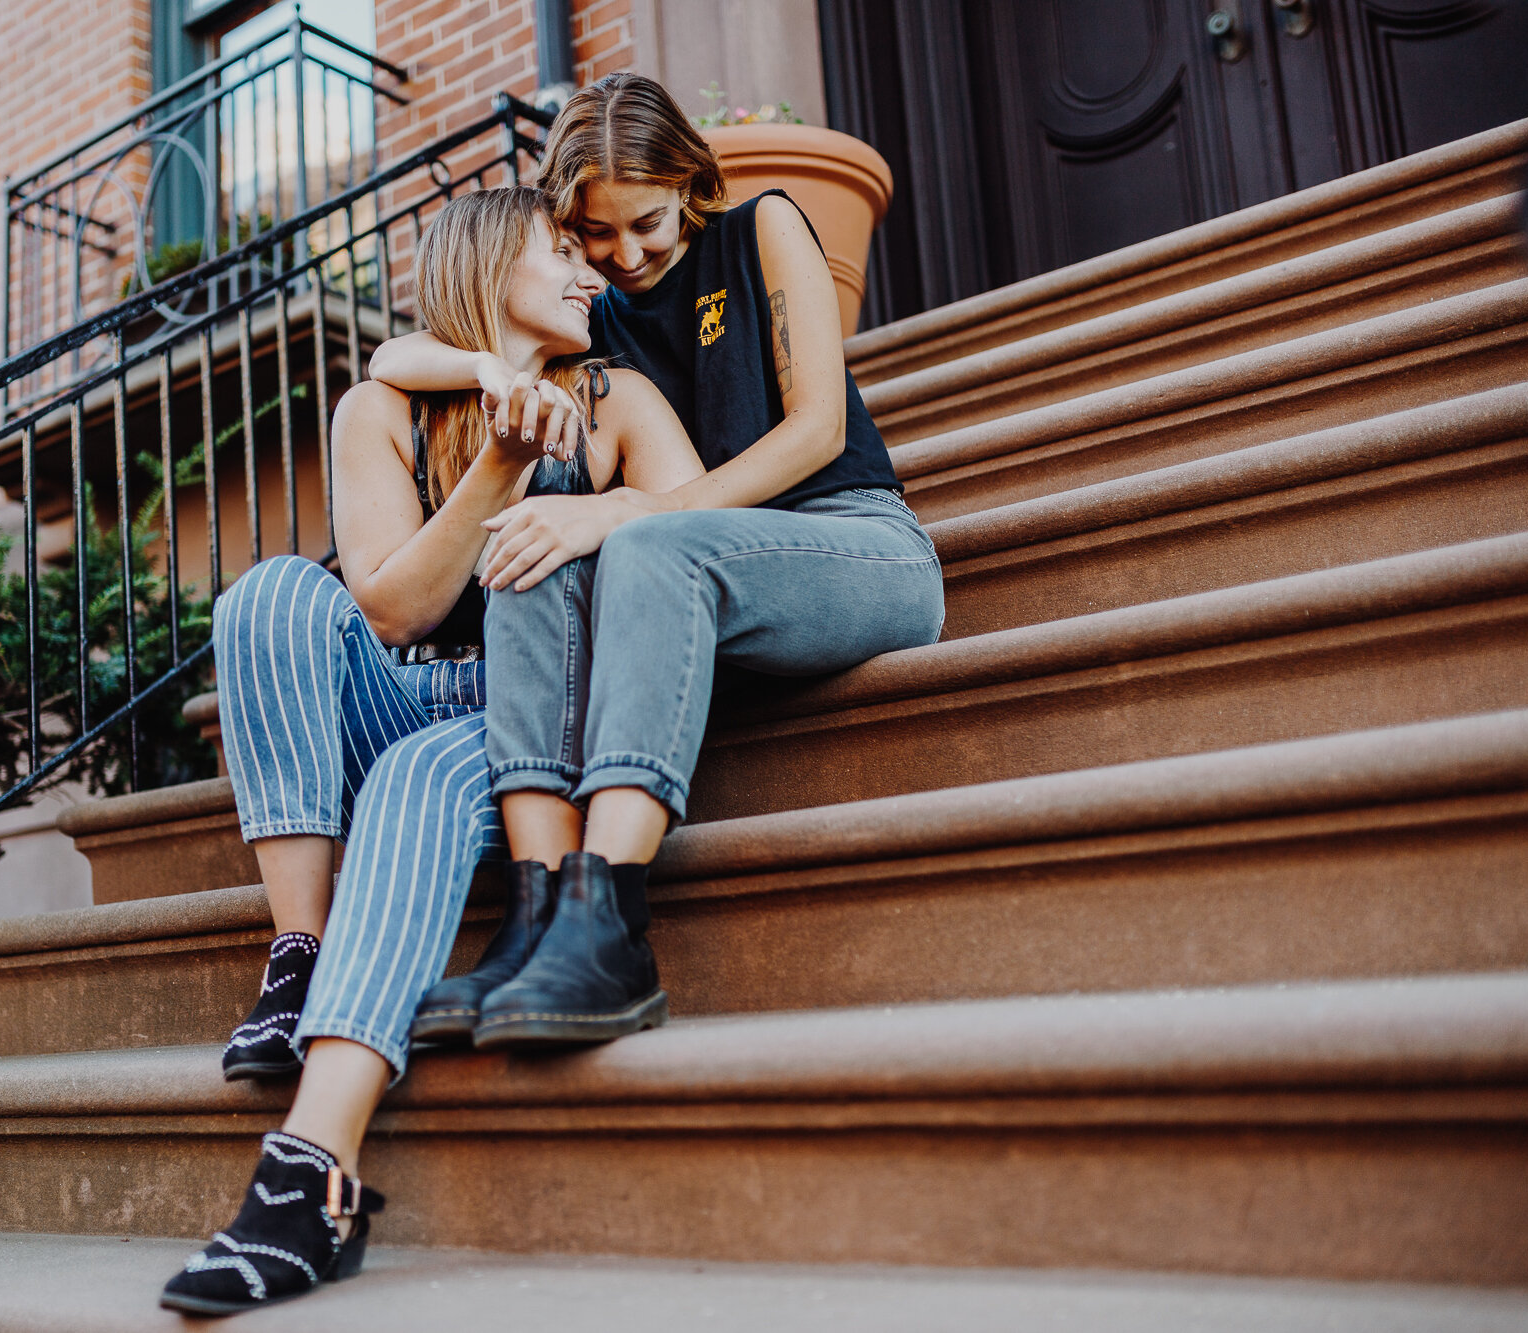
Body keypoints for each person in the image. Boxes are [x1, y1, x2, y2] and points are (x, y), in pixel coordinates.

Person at [159, 186, 703, 1316]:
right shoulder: (381, 409)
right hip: (393, 692)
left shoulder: (619, 399)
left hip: (520, 725)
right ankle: (296, 952)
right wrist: (493, 469)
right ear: (489, 263)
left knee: (417, 775)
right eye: (562, 250)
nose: (592, 271)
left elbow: (701, 532)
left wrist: (593, 507)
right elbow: (394, 609)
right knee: (269, 596)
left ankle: (310, 1176)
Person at [367, 72, 946, 1049]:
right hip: (710, 580)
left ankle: (612, 921)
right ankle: (541, 916)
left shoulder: (761, 229)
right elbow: (390, 362)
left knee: (638, 541)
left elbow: (811, 434)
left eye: (644, 222)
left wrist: (640, 507)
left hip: (855, 545)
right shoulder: (601, 313)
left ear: (687, 180)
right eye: (595, 236)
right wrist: (482, 371)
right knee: (530, 543)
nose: (625, 254)